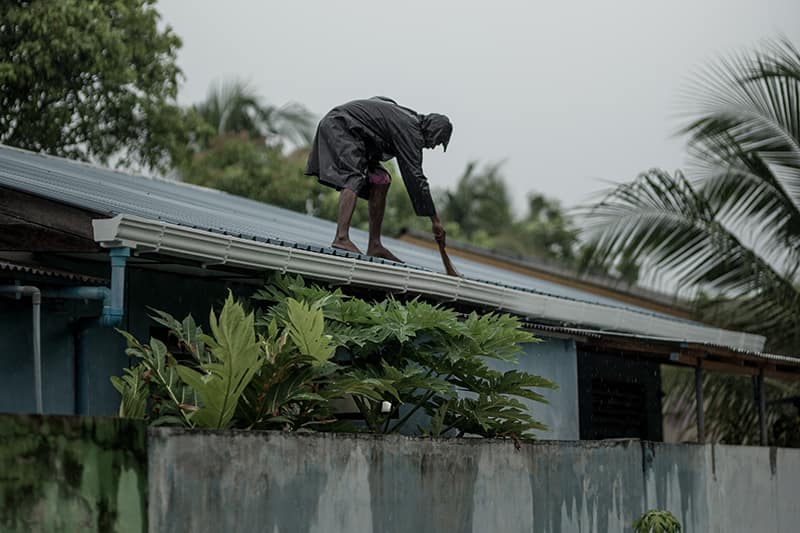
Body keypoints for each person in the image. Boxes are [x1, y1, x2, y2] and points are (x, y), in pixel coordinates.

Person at [305, 97, 452, 262]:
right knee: (354, 176)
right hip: (341, 126)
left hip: (359, 137)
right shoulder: (410, 129)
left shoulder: (408, 121)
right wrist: (435, 220)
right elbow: (415, 177)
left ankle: (374, 245)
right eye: (437, 141)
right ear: (434, 130)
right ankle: (341, 238)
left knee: (381, 180)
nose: (433, 146)